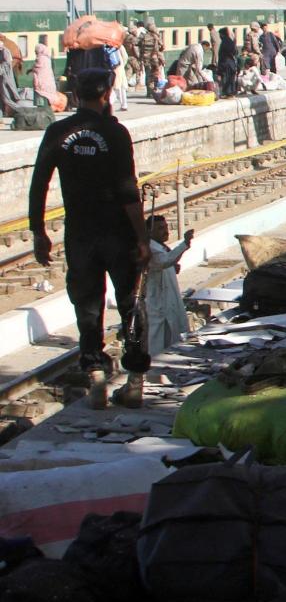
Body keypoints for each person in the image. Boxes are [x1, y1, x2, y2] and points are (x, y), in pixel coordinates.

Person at [29, 69, 150, 407]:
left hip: (81, 235)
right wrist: (142, 238)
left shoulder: (58, 132)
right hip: (118, 234)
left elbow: (39, 182)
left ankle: (96, 376)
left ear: (77, 94)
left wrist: (38, 231)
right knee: (131, 304)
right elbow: (128, 192)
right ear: (107, 93)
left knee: (86, 304)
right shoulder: (115, 133)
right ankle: (135, 380)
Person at [142, 215, 194, 356]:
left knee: (174, 337)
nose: (165, 231)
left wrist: (173, 268)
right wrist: (185, 244)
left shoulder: (161, 246)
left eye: (165, 228)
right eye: (160, 229)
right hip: (159, 302)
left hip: (170, 298)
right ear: (149, 232)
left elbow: (169, 261)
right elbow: (165, 261)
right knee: (158, 340)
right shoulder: (151, 248)